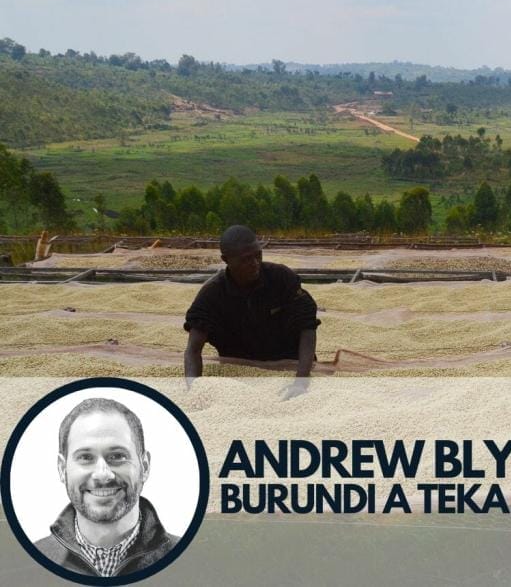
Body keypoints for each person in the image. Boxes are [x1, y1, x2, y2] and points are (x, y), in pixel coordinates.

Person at [34, 398, 178, 578]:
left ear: (145, 466)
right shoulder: (26, 566)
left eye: (117, 456)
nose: (102, 474)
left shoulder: (190, 561)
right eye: (86, 457)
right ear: (62, 469)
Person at [184, 225, 320, 400]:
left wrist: (301, 381)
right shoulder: (212, 295)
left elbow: (307, 327)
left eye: (258, 255)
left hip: (289, 365)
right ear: (226, 259)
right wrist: (195, 390)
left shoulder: (281, 279)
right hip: (239, 373)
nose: (255, 263)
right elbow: (193, 351)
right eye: (245, 260)